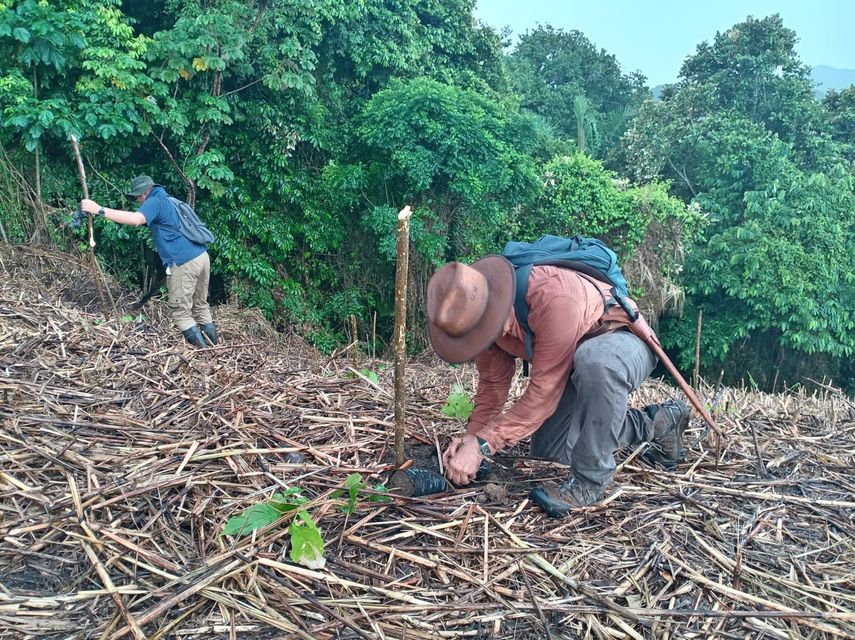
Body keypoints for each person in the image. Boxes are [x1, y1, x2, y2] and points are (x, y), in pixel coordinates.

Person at [426, 255, 689, 517]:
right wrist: (472, 436)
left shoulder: (553, 296)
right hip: (568, 364)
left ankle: (589, 483)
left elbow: (544, 395)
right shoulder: (481, 325)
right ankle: (659, 422)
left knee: (596, 363)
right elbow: (493, 385)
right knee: (551, 457)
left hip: (618, 342)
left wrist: (483, 445)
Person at [79, 175, 216, 348]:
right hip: (201, 257)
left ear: (145, 193)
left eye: (137, 197)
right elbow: (136, 219)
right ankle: (214, 350)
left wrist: (99, 209)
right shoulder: (169, 201)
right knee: (200, 305)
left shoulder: (155, 201)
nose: (137, 201)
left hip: (184, 261)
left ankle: (204, 355)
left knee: (180, 312)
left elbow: (136, 219)